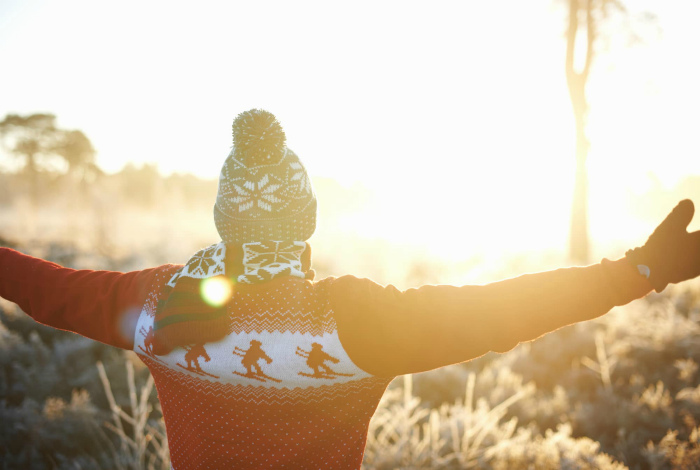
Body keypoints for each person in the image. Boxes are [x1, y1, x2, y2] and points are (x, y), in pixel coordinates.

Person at [1, 109, 699, 469]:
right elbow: (503, 309)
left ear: (224, 217)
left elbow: (43, 287)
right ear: (307, 222)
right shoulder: (358, 322)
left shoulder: (158, 308)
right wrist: (637, 273)